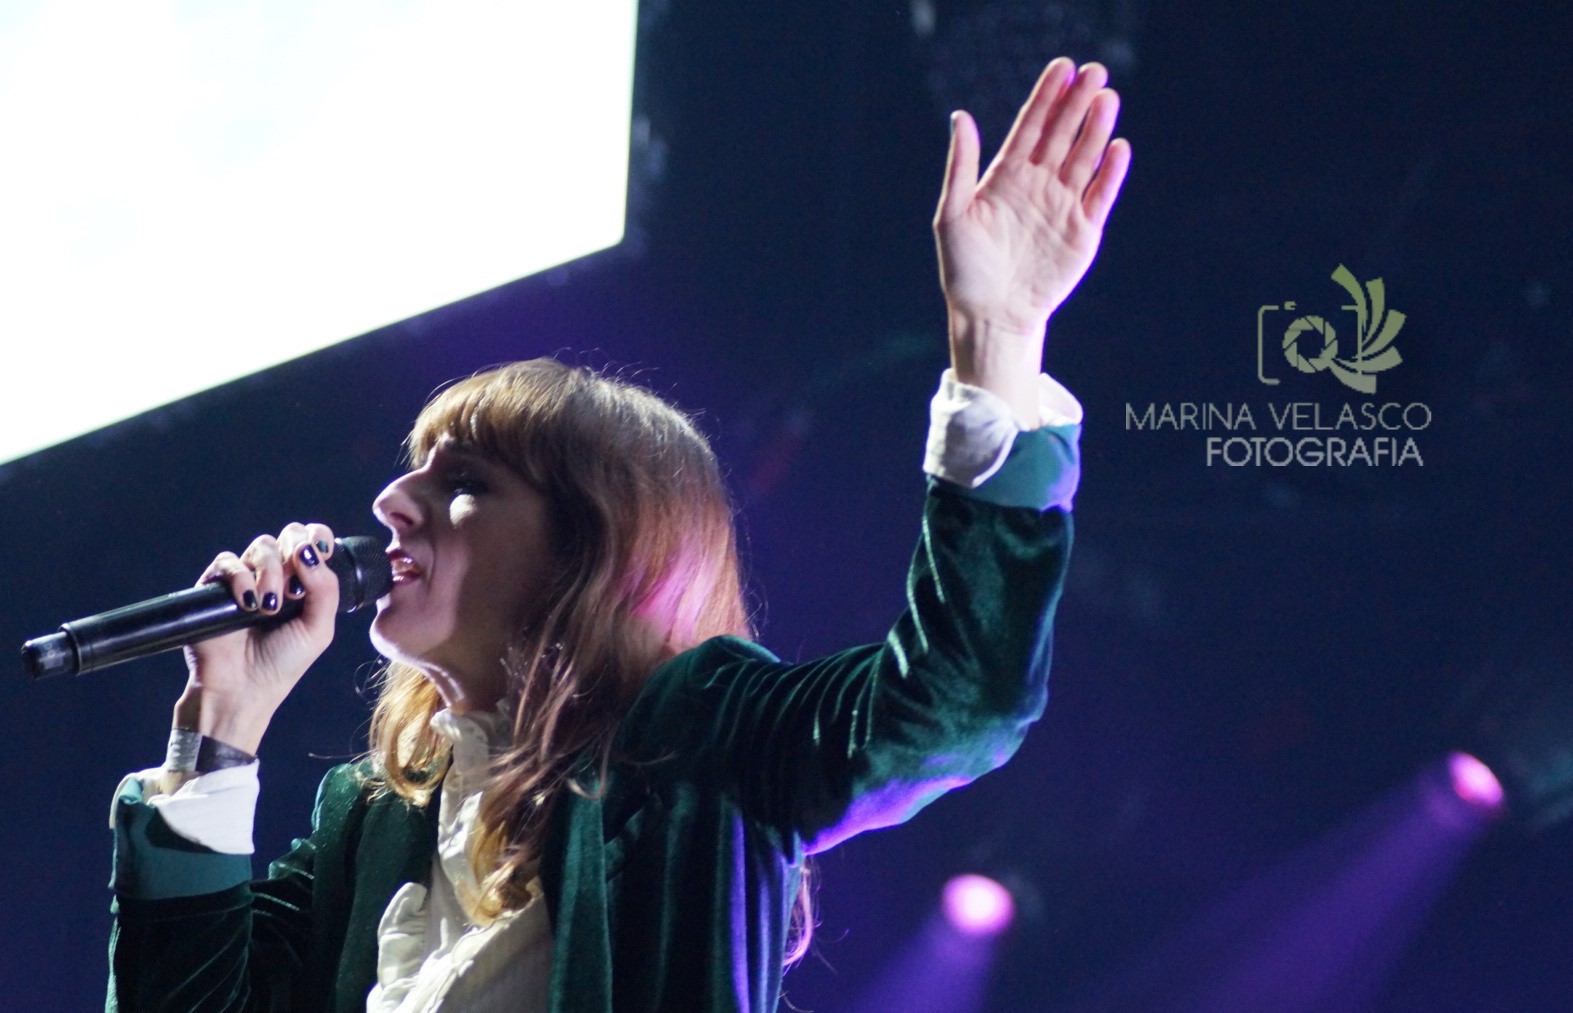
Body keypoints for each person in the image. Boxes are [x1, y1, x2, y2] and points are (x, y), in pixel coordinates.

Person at [106, 55, 1129, 1011]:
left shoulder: (695, 740)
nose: (389, 502)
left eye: (464, 482)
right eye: (412, 468)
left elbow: (953, 703)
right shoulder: (374, 818)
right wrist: (222, 722)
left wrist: (996, 343)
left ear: (587, 550)